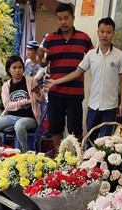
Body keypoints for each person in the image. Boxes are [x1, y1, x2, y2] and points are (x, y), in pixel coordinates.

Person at [45, 17, 122, 144]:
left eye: (108, 32)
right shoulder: (91, 54)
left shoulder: (120, 55)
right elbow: (77, 72)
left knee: (106, 141)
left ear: (113, 33)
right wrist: (56, 81)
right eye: (102, 31)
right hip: (93, 105)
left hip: (110, 106)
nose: (104, 35)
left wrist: (121, 103)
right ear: (98, 32)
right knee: (89, 139)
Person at [36, 3, 93, 151]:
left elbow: (93, 59)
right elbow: (43, 64)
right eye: (59, 18)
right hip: (55, 92)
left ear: (73, 18)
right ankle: (58, 158)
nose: (63, 22)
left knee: (76, 129)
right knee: (56, 128)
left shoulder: (84, 38)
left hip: (75, 92)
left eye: (66, 18)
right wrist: (40, 56)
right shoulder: (50, 39)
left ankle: (78, 159)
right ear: (56, 20)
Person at [0, 55, 45, 152]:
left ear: (23, 68)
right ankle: (3, 149)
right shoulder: (6, 86)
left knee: (19, 125)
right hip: (11, 117)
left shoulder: (31, 81)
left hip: (29, 118)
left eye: (20, 67)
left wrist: (38, 94)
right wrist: (25, 101)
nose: (17, 70)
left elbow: (42, 101)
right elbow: (7, 105)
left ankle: (24, 152)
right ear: (9, 70)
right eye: (14, 68)